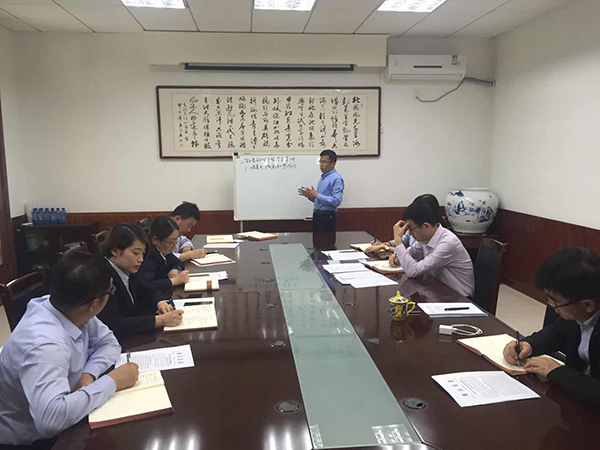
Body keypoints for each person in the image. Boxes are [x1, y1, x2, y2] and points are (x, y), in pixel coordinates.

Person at [0, 252, 139, 447]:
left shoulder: (69, 307)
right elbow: (51, 420)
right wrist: (113, 381)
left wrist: (88, 375)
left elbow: (109, 343)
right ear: (94, 304)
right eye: (111, 291)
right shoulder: (45, 346)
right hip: (33, 442)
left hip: (68, 403)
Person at [502, 247, 600, 406]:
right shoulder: (577, 312)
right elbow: (556, 333)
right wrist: (528, 345)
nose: (551, 306)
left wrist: (557, 372)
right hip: (573, 399)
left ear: (588, 305)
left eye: (555, 301)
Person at [98, 224, 183, 340]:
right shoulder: (102, 276)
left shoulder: (125, 270)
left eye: (143, 254)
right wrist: (159, 321)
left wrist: (161, 303)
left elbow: (146, 289)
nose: (141, 259)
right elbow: (113, 323)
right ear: (115, 250)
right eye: (136, 253)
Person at [389, 201, 474, 298]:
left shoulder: (448, 243)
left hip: (460, 299)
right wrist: (397, 257)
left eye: (411, 229)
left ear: (426, 226)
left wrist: (398, 240)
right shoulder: (426, 238)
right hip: (438, 293)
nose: (410, 234)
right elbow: (410, 253)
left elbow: (413, 271)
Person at [366, 194, 442, 254]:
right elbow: (404, 242)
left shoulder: (429, 233)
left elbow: (409, 256)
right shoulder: (414, 226)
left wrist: (385, 248)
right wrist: (385, 244)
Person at [138, 216, 189, 297]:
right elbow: (146, 285)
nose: (173, 246)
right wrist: (173, 281)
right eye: (171, 242)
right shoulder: (149, 256)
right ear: (155, 240)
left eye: (176, 241)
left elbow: (177, 262)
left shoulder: (164, 250)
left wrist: (174, 270)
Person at [298, 149, 344, 233]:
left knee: (325, 241)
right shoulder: (323, 178)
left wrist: (316, 195)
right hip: (317, 215)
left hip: (327, 217)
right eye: (320, 162)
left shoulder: (336, 179)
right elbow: (320, 199)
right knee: (317, 240)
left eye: (324, 162)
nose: (321, 165)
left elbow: (336, 200)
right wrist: (310, 195)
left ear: (333, 164)